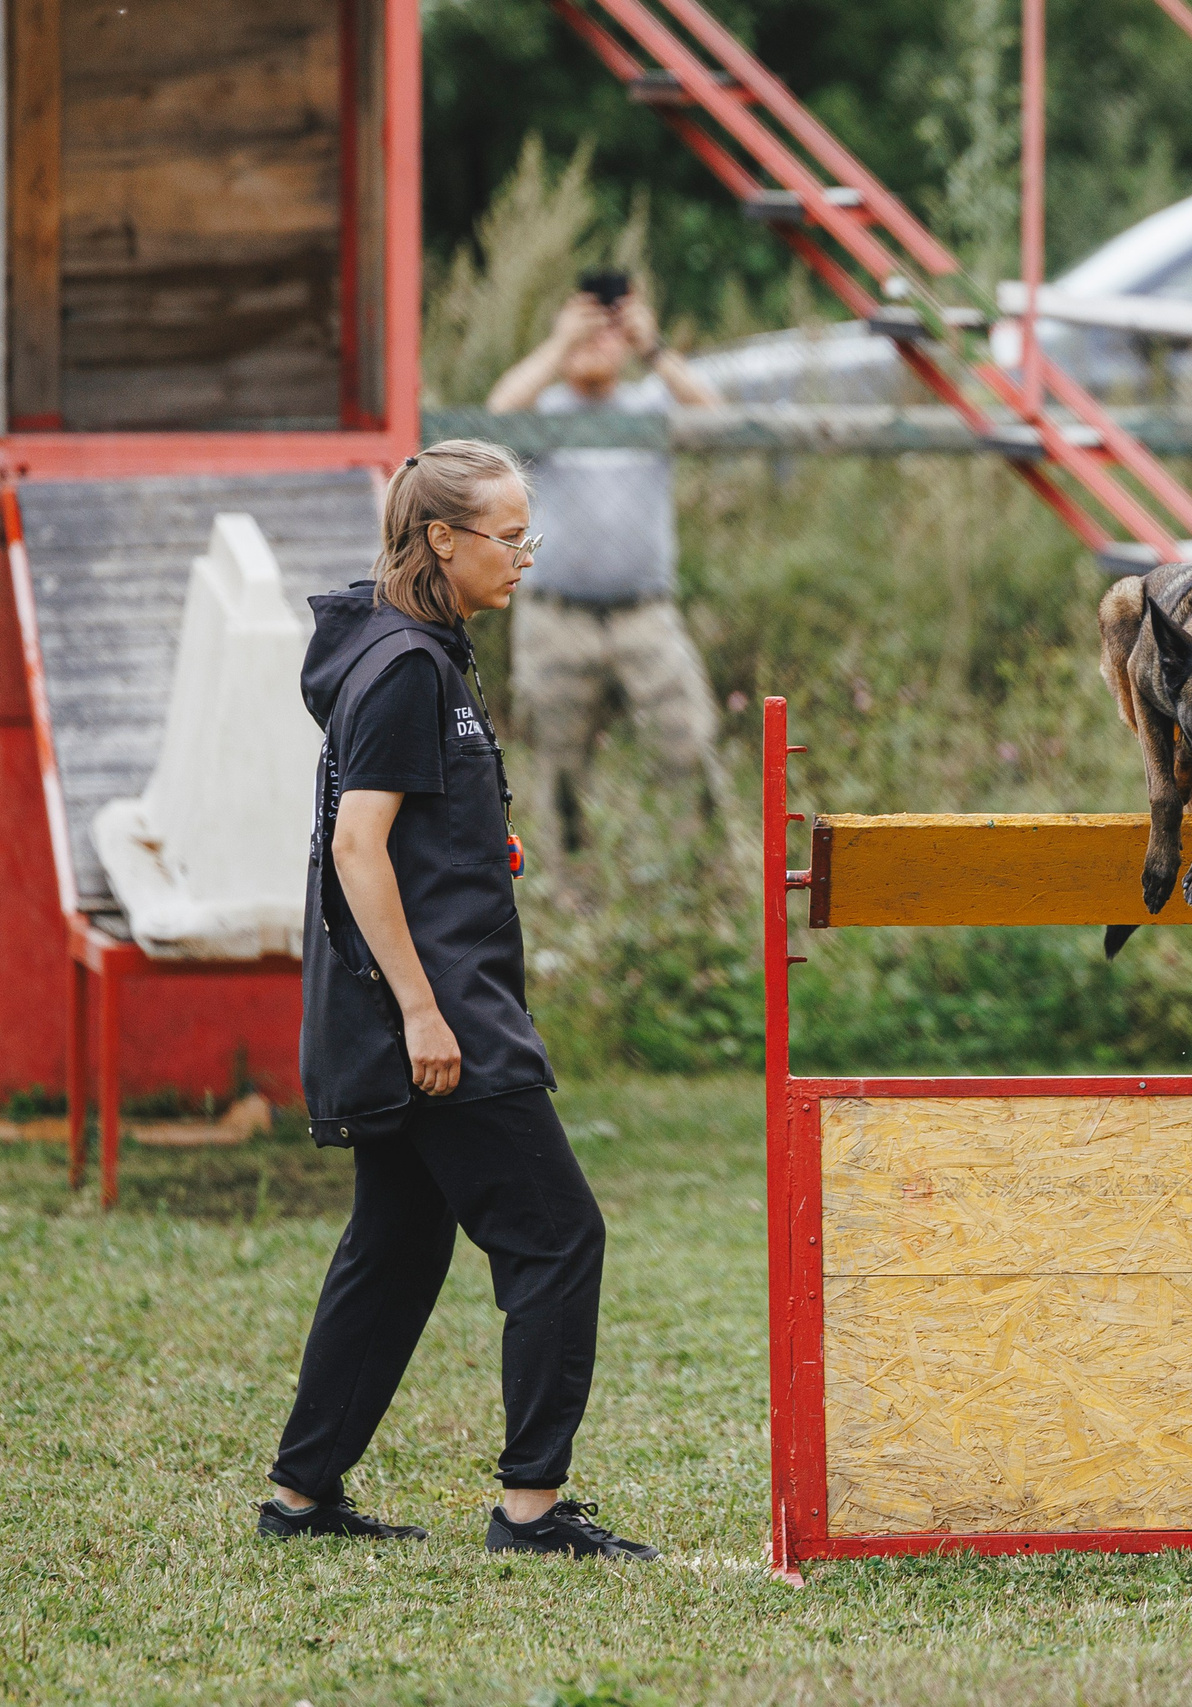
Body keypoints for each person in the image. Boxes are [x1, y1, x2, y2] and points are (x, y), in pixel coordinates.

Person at [262, 440, 655, 1560]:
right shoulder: (404, 667)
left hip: (432, 999)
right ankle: (532, 1508)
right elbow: (358, 845)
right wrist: (424, 1013)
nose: (527, 556)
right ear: (443, 540)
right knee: (557, 1235)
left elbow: (410, 835)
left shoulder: (420, 649)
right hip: (439, 1015)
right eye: (510, 536)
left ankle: (301, 1495)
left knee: (396, 1244)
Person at [488, 275, 724, 853]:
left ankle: (702, 874)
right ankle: (572, 891)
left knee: (688, 745)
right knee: (560, 771)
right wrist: (560, 344)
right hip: (556, 619)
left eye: (609, 326)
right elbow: (496, 416)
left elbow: (718, 420)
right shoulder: (542, 410)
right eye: (586, 323)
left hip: (645, 616)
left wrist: (653, 349)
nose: (597, 338)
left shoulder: (650, 404)